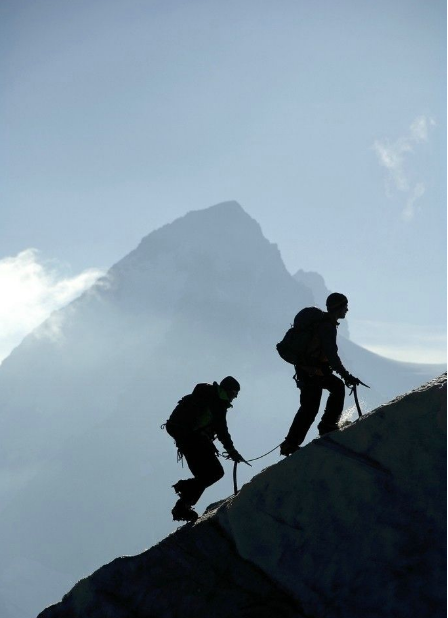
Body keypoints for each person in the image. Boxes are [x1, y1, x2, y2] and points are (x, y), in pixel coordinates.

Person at [280, 293, 362, 456]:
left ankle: (297, 440)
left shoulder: (324, 324)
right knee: (314, 404)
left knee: (314, 403)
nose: (347, 309)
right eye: (345, 306)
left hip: (310, 370)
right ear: (338, 308)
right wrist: (346, 375)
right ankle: (320, 430)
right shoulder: (327, 327)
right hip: (312, 371)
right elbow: (332, 355)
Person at [165, 376, 245, 522]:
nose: (235, 397)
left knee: (206, 476)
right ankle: (183, 497)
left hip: (185, 440)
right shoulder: (218, 402)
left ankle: (183, 505)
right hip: (194, 439)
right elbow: (222, 430)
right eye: (234, 393)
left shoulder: (206, 395)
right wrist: (232, 451)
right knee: (215, 473)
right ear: (228, 390)